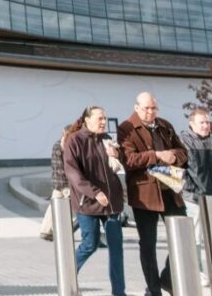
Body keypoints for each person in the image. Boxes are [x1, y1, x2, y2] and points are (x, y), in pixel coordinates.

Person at [118, 91, 188, 296]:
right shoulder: (127, 128)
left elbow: (183, 152)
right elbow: (129, 160)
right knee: (148, 244)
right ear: (137, 107)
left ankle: (167, 278)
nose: (151, 112)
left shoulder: (164, 125)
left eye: (154, 108)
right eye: (146, 108)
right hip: (145, 194)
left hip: (170, 191)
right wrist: (156, 156)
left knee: (183, 238)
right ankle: (153, 289)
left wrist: (173, 157)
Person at [63, 106, 126, 296]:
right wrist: (94, 192)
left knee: (116, 249)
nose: (103, 122)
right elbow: (73, 173)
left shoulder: (107, 139)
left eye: (104, 118)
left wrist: (117, 155)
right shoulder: (75, 140)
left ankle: (119, 292)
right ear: (86, 120)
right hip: (87, 203)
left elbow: (119, 162)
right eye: (99, 118)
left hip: (111, 203)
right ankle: (67, 279)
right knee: (90, 244)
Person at [181, 107, 212, 286]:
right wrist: (209, 193)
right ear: (192, 124)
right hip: (194, 196)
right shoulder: (185, 140)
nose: (206, 125)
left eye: (208, 122)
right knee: (196, 236)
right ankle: (198, 272)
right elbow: (194, 169)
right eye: (202, 122)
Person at [39, 125, 74, 242]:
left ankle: (46, 230)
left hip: (57, 183)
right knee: (66, 210)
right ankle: (63, 232)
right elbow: (64, 167)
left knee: (53, 208)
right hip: (65, 184)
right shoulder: (63, 146)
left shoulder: (58, 144)